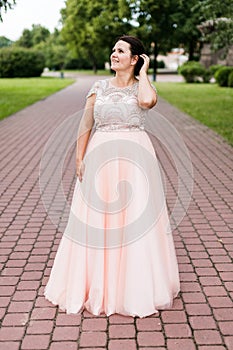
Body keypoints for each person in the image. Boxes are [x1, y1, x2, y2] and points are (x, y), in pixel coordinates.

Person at [44, 35, 180, 318]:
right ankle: (96, 283)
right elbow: (85, 124)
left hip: (136, 160)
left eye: (121, 50)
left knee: (134, 221)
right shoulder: (98, 88)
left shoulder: (143, 87)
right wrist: (80, 158)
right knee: (97, 220)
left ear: (134, 59)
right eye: (113, 50)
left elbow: (147, 102)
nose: (113, 54)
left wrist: (143, 73)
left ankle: (134, 286)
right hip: (100, 158)